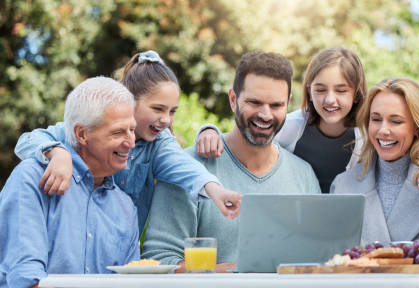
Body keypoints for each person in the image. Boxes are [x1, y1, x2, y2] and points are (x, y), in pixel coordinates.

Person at [14, 51, 242, 235]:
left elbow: (183, 166)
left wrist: (215, 190)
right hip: (76, 234)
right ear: (129, 101)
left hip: (120, 244)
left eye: (172, 111)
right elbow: (27, 140)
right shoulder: (90, 126)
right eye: (157, 109)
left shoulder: (159, 143)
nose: (166, 119)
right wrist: (58, 153)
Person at [142, 51, 320, 271]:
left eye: (276, 105)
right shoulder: (188, 168)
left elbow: (316, 258)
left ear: (287, 104)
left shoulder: (303, 174)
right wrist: (218, 273)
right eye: (254, 102)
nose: (265, 115)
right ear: (233, 99)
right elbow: (159, 258)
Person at [196, 47, 419, 193]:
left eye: (341, 90)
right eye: (320, 90)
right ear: (308, 91)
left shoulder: (370, 131)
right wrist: (209, 131)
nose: (330, 100)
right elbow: (251, 131)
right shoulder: (293, 126)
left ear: (356, 93)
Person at [0, 77, 140, 288]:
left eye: (132, 129)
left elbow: (132, 283)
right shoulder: (32, 179)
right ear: (82, 134)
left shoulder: (125, 207)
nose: (131, 142)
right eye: (118, 131)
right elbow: (27, 279)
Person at [330, 77, 419, 245]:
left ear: (417, 127)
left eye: (396, 121)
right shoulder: (342, 186)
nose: (383, 130)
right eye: (376, 119)